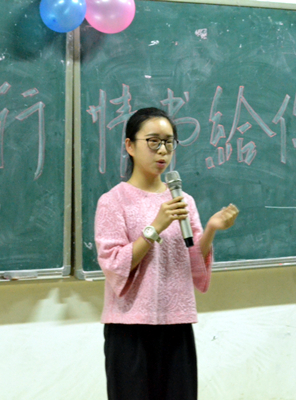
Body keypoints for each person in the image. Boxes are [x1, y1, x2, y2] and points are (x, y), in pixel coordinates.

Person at [94, 107, 239, 400]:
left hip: (176, 324)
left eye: (169, 142)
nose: (162, 151)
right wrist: (155, 227)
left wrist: (211, 229)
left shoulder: (183, 200)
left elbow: (193, 264)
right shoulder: (113, 201)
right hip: (129, 328)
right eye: (153, 142)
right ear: (130, 146)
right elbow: (114, 264)